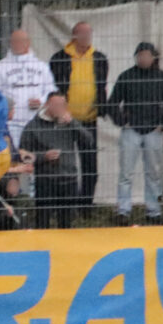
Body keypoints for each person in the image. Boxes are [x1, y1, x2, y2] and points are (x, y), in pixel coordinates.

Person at [108, 42, 163, 222]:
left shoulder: (162, 78)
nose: (143, 59)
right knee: (126, 172)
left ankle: (153, 211)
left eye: (146, 55)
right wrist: (122, 121)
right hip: (132, 131)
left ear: (153, 57)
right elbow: (112, 102)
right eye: (140, 55)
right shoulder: (127, 76)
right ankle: (123, 210)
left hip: (154, 130)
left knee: (153, 172)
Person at [48, 22, 108, 207]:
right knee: (63, 163)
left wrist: (103, 108)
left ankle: (85, 205)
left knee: (90, 164)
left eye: (88, 33)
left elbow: (101, 86)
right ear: (74, 36)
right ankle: (65, 204)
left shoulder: (99, 58)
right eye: (82, 33)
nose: (86, 36)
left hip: (89, 120)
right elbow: (53, 88)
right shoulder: (59, 58)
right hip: (65, 121)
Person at [19, 92, 92, 229]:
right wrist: (43, 156)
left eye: (63, 105)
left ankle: (64, 248)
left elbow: (88, 141)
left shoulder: (70, 123)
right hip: (46, 181)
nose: (60, 108)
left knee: (66, 222)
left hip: (69, 179)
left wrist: (73, 123)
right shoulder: (33, 126)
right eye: (56, 105)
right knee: (43, 220)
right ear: (47, 105)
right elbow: (23, 154)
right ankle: (43, 247)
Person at [0, 30, 55, 146]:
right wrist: (3, 110)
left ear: (28, 43)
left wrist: (41, 102)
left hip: (37, 122)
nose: (17, 44)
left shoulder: (41, 67)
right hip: (11, 124)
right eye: (14, 41)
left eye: (21, 41)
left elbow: (51, 91)